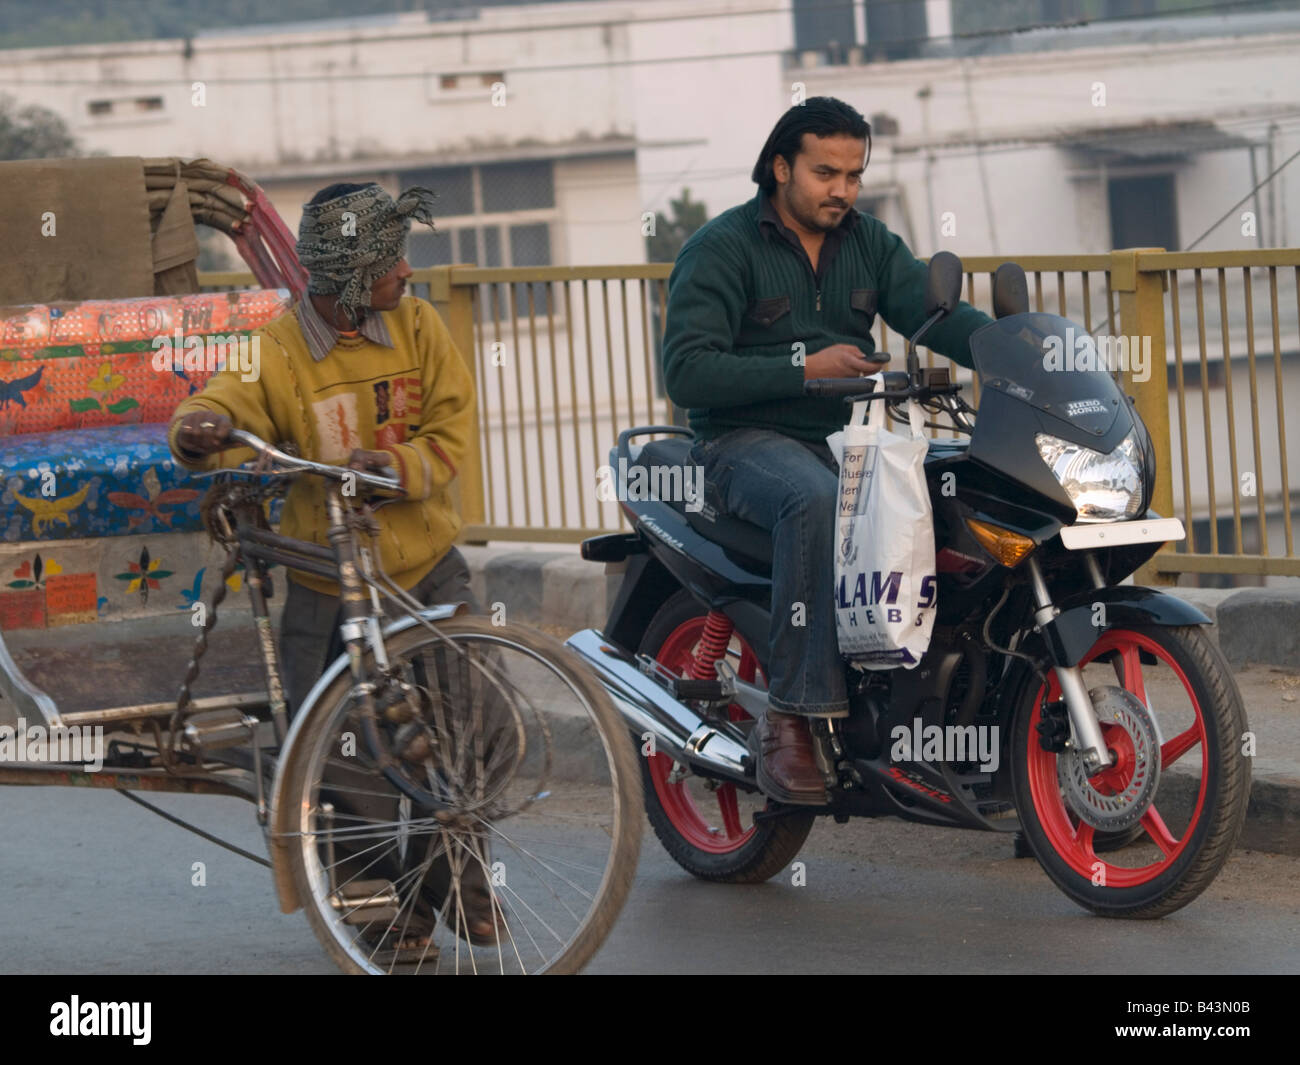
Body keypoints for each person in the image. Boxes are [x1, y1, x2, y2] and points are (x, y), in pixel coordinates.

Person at [168, 181, 501, 950]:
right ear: (346, 275)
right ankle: (385, 913)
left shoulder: (417, 326)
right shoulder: (280, 351)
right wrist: (197, 430)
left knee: (479, 725)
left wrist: (392, 466)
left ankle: (449, 878)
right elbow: (223, 401)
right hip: (328, 587)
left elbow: (452, 429)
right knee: (348, 761)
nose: (407, 272)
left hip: (427, 571)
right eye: (390, 260)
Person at [661, 97, 993, 806]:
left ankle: (966, 717)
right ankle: (794, 714)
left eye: (853, 174)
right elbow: (686, 371)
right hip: (738, 444)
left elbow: (935, 314)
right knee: (813, 500)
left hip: (849, 441)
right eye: (825, 172)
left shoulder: (870, 243)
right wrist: (803, 368)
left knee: (954, 491)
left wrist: (1018, 351)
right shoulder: (720, 248)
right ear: (780, 168)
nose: (841, 189)